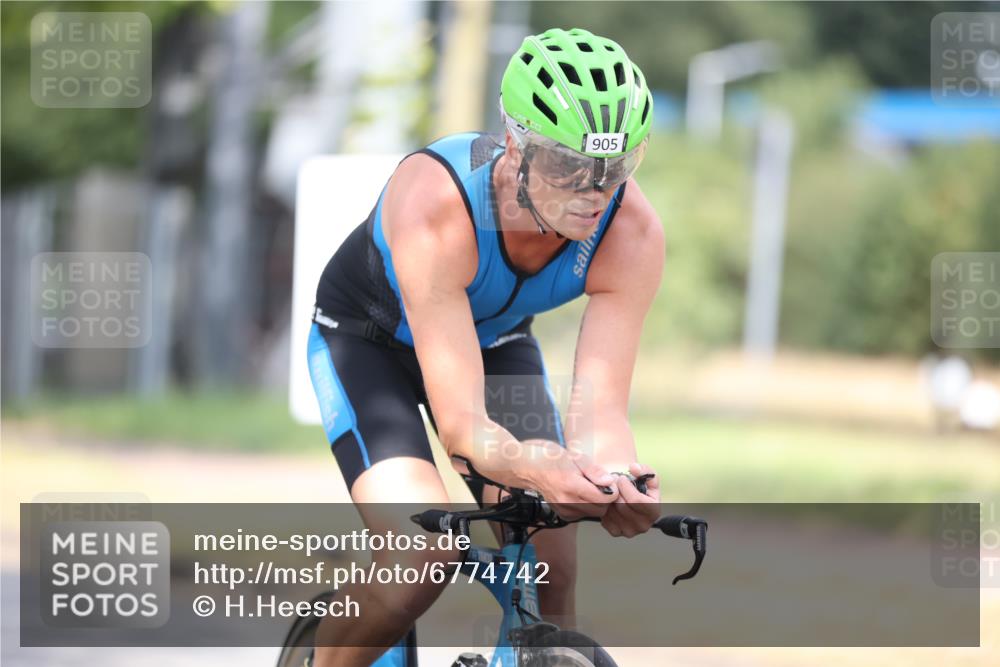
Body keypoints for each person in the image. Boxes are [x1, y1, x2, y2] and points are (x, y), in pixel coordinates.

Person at [306, 27, 663, 667]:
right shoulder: (438, 201)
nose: (592, 191)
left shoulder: (630, 230)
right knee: (421, 555)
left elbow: (601, 412)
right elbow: (465, 428)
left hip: (494, 345)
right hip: (368, 346)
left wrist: (617, 479)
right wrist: (539, 466)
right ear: (515, 146)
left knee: (553, 563)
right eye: (568, 165)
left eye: (615, 168)